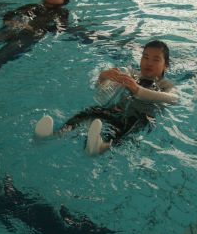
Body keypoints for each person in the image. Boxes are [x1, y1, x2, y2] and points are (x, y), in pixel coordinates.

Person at [35, 40, 178, 155]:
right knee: (89, 112)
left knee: (123, 129)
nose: (148, 63)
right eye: (145, 57)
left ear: (166, 65)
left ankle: (101, 147)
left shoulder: (166, 85)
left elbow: (173, 98)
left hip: (139, 117)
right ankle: (58, 133)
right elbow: (102, 90)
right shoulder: (131, 73)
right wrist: (102, 78)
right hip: (116, 110)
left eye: (156, 59)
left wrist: (137, 89)